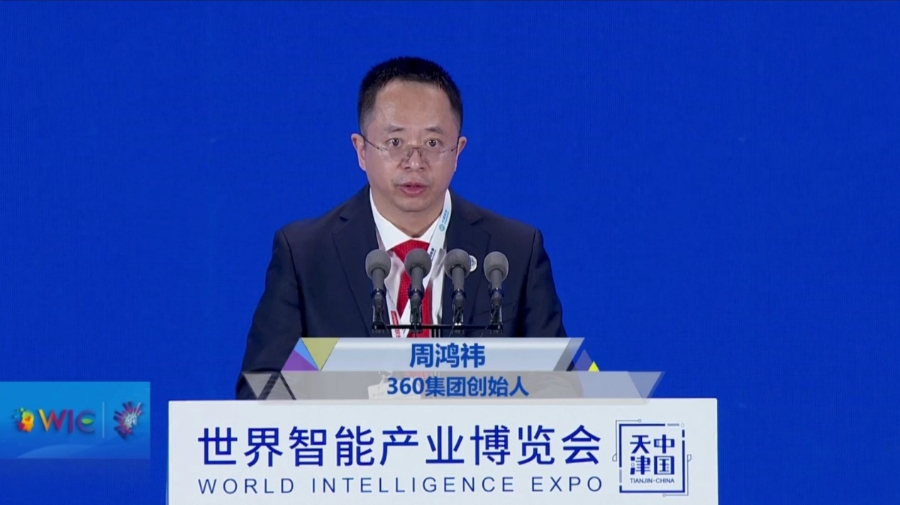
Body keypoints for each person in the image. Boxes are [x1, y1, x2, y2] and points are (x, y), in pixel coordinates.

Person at [237, 57, 566, 399]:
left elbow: (564, 385)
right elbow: (263, 391)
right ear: (361, 150)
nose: (414, 162)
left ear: (458, 152)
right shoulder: (306, 255)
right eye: (395, 142)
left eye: (433, 143)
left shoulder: (514, 250)